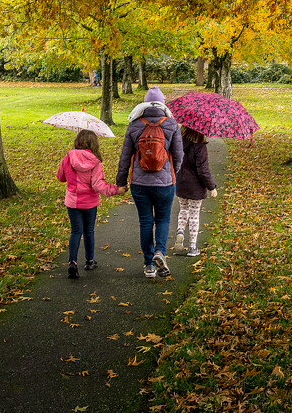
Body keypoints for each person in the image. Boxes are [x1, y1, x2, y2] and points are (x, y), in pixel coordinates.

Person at [115, 86, 183, 278]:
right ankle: (160, 252)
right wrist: (173, 175)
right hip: (165, 184)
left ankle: (148, 265)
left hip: (140, 184)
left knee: (145, 221)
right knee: (163, 219)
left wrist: (121, 181)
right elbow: (179, 156)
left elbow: (125, 157)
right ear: (162, 103)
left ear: (144, 103)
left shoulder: (135, 124)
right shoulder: (171, 124)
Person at [56, 129, 120, 279]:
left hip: (72, 201)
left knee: (76, 231)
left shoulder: (68, 158)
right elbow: (98, 185)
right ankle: (89, 261)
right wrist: (116, 190)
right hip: (90, 203)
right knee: (89, 231)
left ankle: (72, 262)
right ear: (94, 144)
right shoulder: (95, 162)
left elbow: (60, 177)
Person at [174, 126, 217, 257]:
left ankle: (180, 231)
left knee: (183, 209)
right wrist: (212, 187)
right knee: (194, 215)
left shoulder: (178, 142)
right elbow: (203, 171)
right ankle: (192, 246)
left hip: (181, 182)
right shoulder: (199, 146)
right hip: (195, 186)